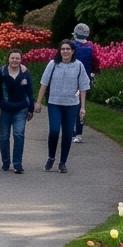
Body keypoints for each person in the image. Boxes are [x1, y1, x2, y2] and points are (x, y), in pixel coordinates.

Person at [40, 41, 91, 173]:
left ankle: (63, 162)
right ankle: (51, 157)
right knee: (54, 131)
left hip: (72, 104)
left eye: (68, 49)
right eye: (62, 49)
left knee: (68, 134)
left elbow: (83, 88)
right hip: (54, 103)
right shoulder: (53, 64)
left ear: (73, 51)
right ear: (59, 51)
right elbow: (44, 84)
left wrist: (83, 107)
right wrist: (38, 102)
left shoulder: (78, 66)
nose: (65, 51)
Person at [0, 50, 36, 173]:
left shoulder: (25, 73)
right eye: (12, 58)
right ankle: (5, 162)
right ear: (8, 59)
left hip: (21, 109)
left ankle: (17, 164)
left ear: (21, 60)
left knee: (18, 134)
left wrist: (31, 108)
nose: (15, 60)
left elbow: (30, 92)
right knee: (4, 136)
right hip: (4, 109)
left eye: (17, 58)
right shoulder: (1, 73)